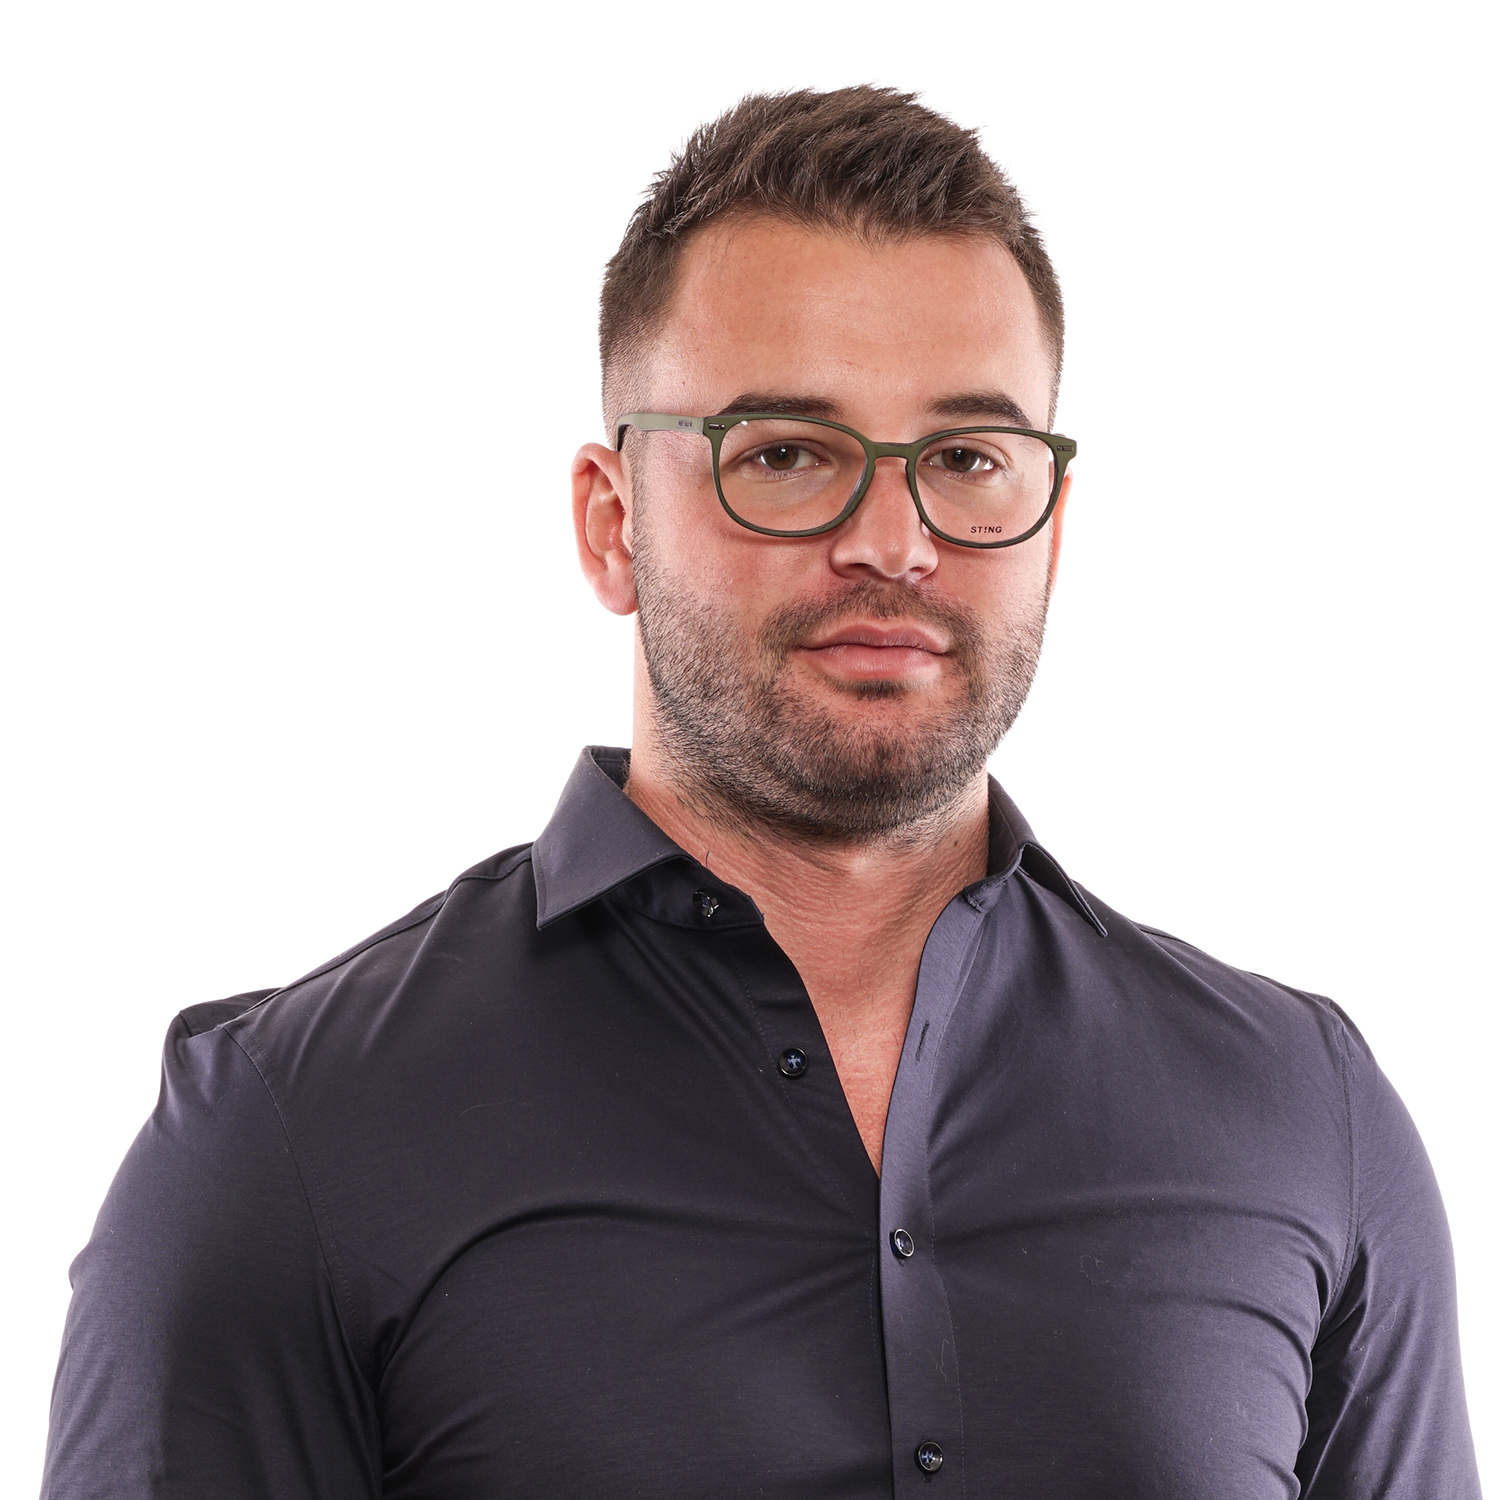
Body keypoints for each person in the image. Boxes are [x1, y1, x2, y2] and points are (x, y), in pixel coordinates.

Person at [42, 85, 1479, 1499]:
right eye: (786, 456)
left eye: (968, 459)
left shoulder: (1304, 1114)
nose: (893, 541)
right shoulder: (289, 1136)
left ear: (1051, 524)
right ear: (612, 524)